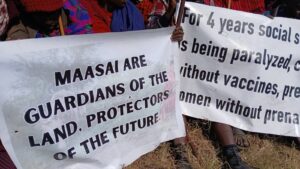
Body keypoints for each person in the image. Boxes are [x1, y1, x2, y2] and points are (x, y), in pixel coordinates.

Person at [6, 0, 92, 40]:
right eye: (42, 14)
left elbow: (86, 45)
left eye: (54, 12)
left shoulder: (74, 13)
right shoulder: (17, 23)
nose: (50, 19)